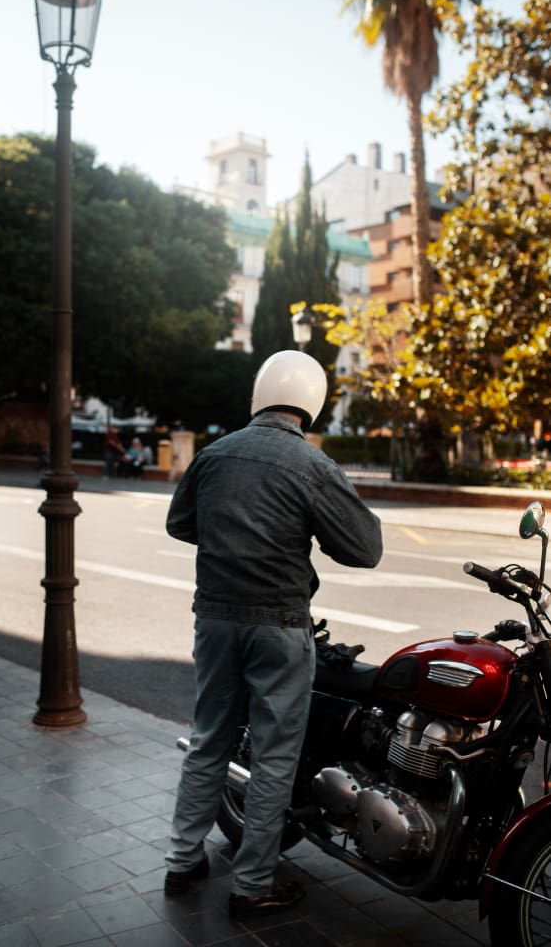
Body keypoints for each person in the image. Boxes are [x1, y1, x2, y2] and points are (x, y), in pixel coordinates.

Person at [163, 350, 383, 918]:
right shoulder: (311, 465)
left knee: (209, 735)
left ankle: (182, 861)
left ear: (259, 395)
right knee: (274, 756)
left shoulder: (214, 454)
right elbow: (365, 549)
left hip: (213, 618)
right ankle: (252, 884)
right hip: (280, 625)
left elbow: (179, 523)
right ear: (311, 403)